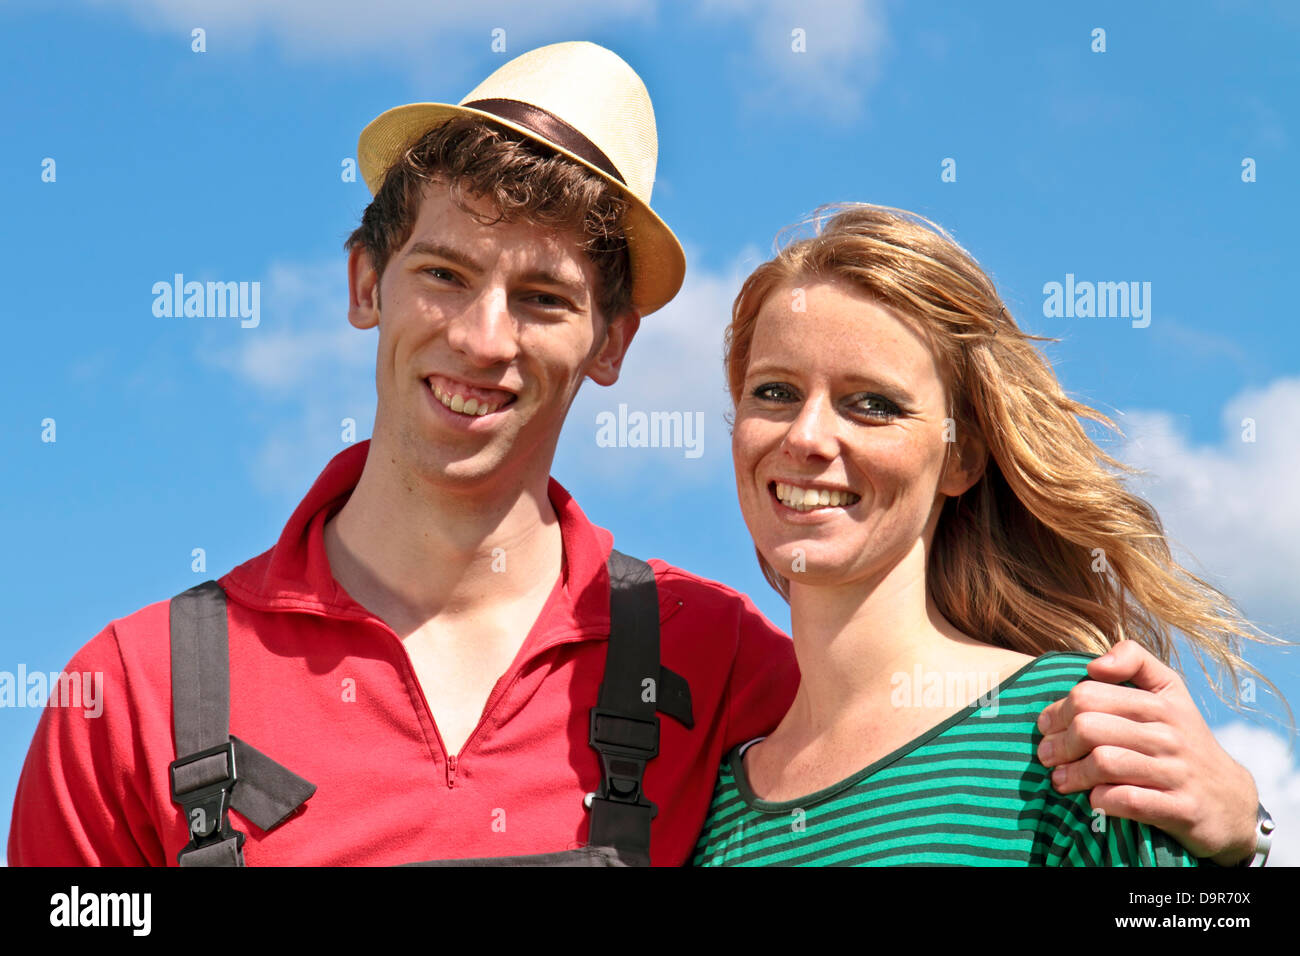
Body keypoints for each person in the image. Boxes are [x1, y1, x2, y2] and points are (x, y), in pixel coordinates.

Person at [7, 44, 1267, 867]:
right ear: (363, 285)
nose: (483, 339)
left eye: (545, 299)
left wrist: (1238, 839)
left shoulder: (722, 667)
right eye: (442, 274)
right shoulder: (139, 689)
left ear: (611, 342)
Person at [693, 204, 1284, 865]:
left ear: (961, 457)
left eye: (873, 404)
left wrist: (1247, 842)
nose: (805, 436)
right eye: (774, 392)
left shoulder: (1071, 734)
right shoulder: (703, 803)